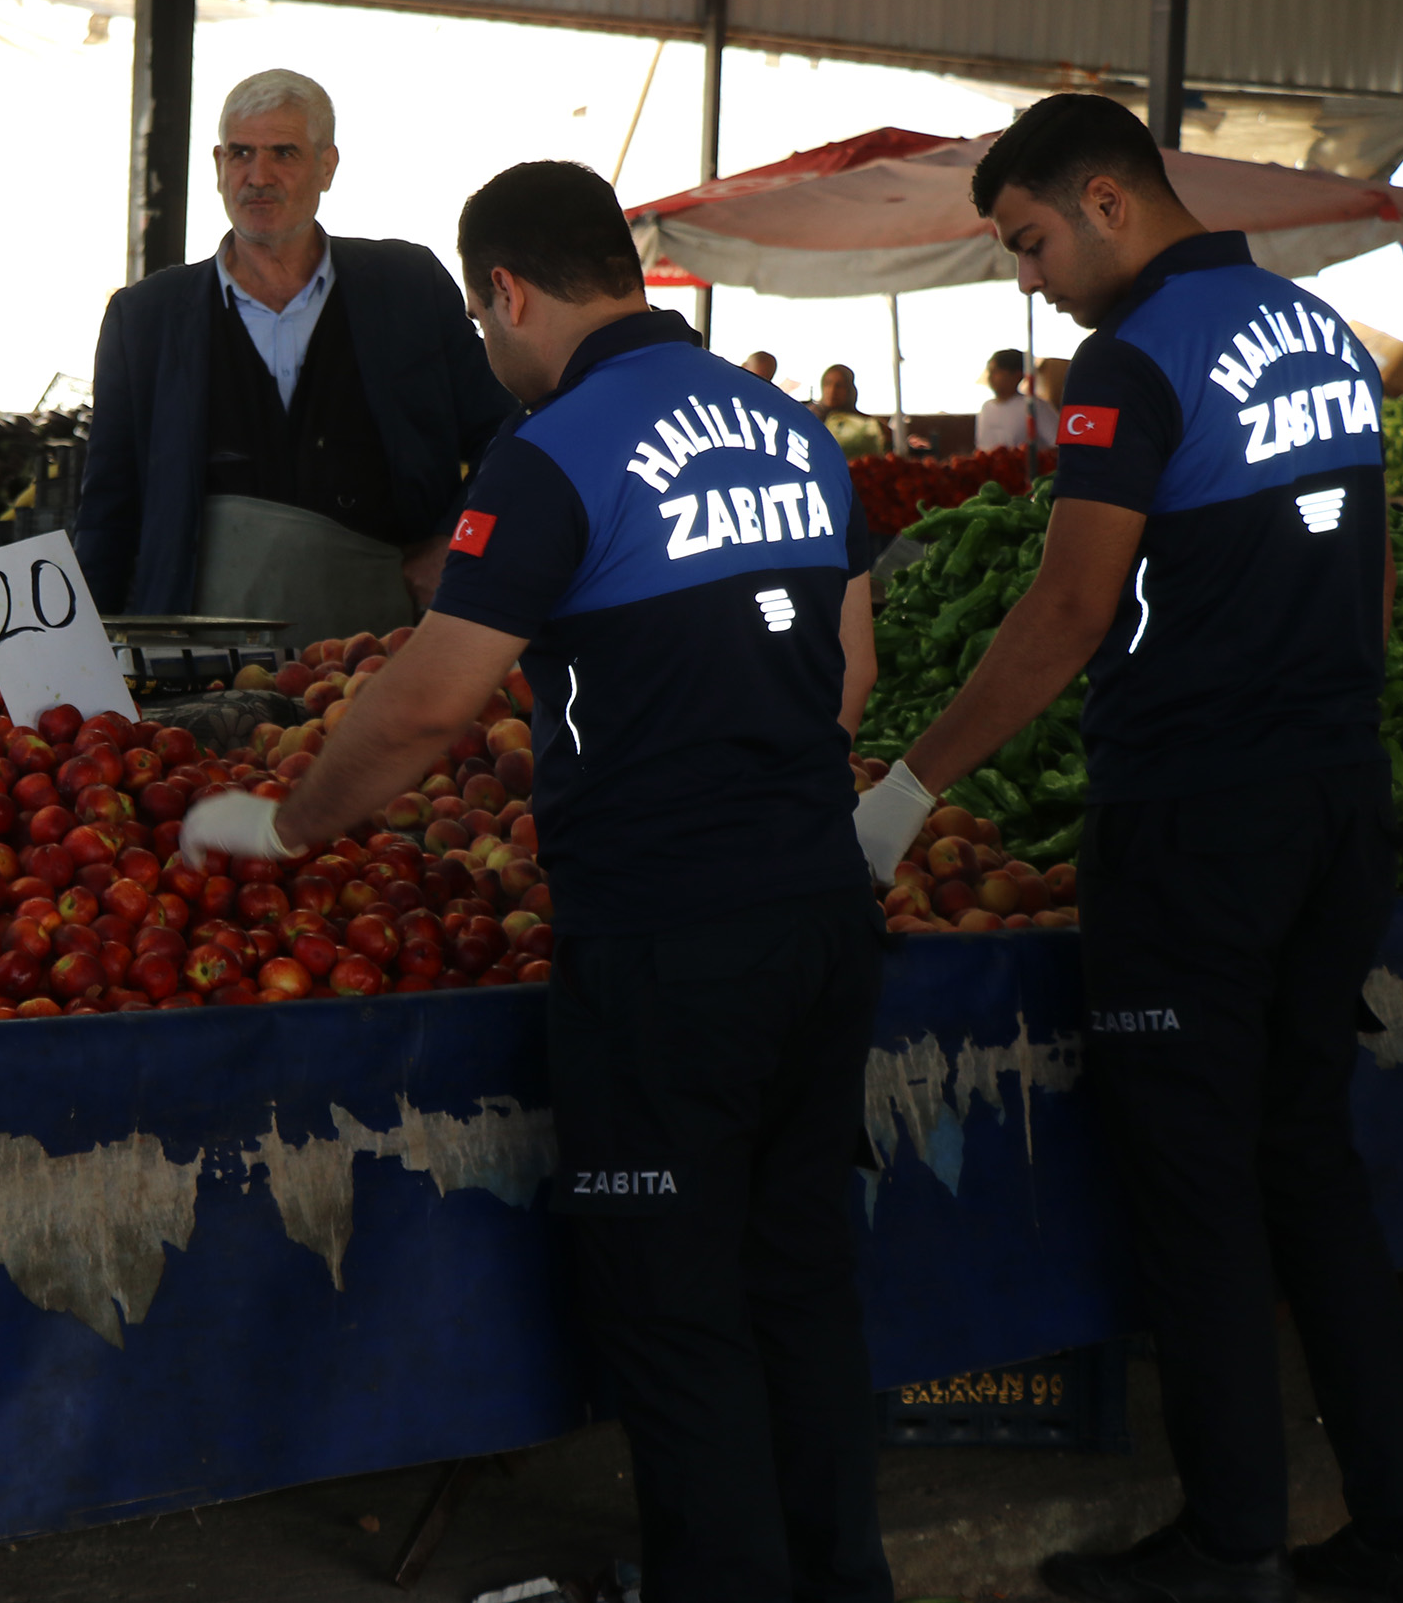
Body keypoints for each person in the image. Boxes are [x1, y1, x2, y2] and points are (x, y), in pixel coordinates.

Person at [184, 161, 889, 1603]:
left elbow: (429, 702)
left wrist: (286, 826)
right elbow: (848, 676)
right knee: (798, 1279)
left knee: (673, 1300)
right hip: (820, 908)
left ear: (505, 290)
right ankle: (840, 1578)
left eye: (478, 319)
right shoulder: (790, 433)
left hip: (665, 937)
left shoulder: (554, 448)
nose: (484, 349)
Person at [851, 94, 1403, 1603]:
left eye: (1030, 240)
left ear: (1106, 199)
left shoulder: (1130, 362)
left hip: (1193, 824)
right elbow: (1369, 583)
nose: (1030, 278)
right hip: (1329, 802)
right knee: (1307, 1165)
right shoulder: (1313, 333)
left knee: (1188, 1187)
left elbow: (1062, 611)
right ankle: (1396, 1534)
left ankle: (1229, 1544)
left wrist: (901, 793)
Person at [76, 69, 515, 642]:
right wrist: (81, 665)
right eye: (240, 154)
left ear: (327, 166)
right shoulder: (147, 318)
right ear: (217, 165)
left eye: (283, 153)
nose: (258, 177)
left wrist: (456, 541)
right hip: (200, 656)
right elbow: (108, 510)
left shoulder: (406, 287)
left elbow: (507, 433)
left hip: (383, 647)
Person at [976, 346, 1058, 451]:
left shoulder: (1034, 406)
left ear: (1017, 375)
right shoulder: (986, 407)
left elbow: (1058, 444)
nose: (990, 377)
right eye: (990, 371)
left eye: (996, 372)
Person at [810, 363, 886, 458]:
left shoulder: (865, 425)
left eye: (839, 386)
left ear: (849, 390)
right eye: (828, 384)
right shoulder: (809, 417)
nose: (832, 390)